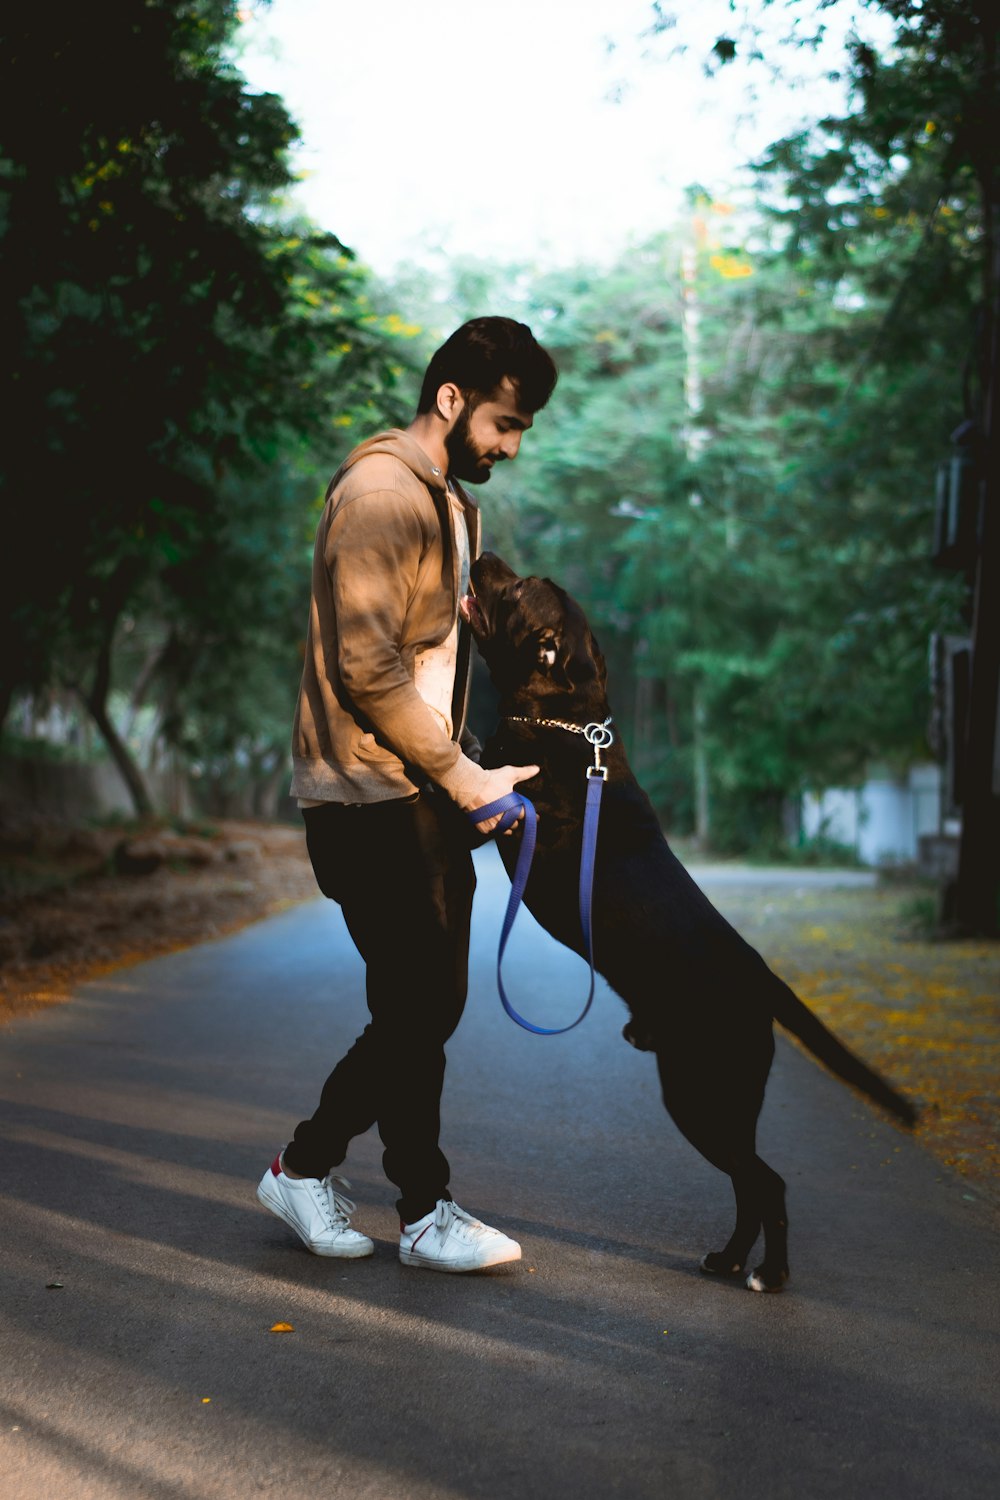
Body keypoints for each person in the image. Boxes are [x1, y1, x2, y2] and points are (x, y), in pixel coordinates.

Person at [257, 317, 557, 1272]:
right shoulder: (384, 494)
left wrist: (476, 759)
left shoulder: (449, 505)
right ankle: (402, 1201)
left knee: (423, 1006)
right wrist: (467, 778)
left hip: (417, 790)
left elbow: (428, 664)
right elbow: (368, 669)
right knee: (419, 1006)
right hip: (364, 799)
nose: (510, 447)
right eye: (505, 425)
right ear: (452, 399)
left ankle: (324, 1174)